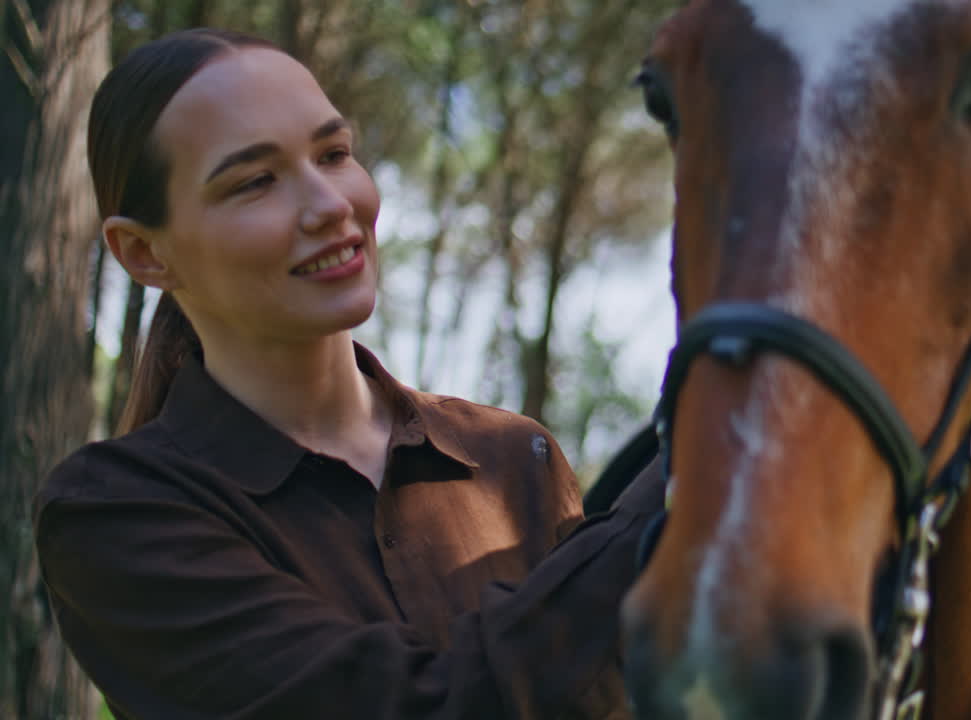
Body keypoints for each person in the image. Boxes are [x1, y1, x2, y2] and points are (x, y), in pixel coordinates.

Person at [34, 27, 663, 720]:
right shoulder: (115, 517)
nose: (332, 204)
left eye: (334, 153)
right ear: (144, 253)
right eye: (255, 181)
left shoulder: (516, 455)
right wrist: (686, 474)